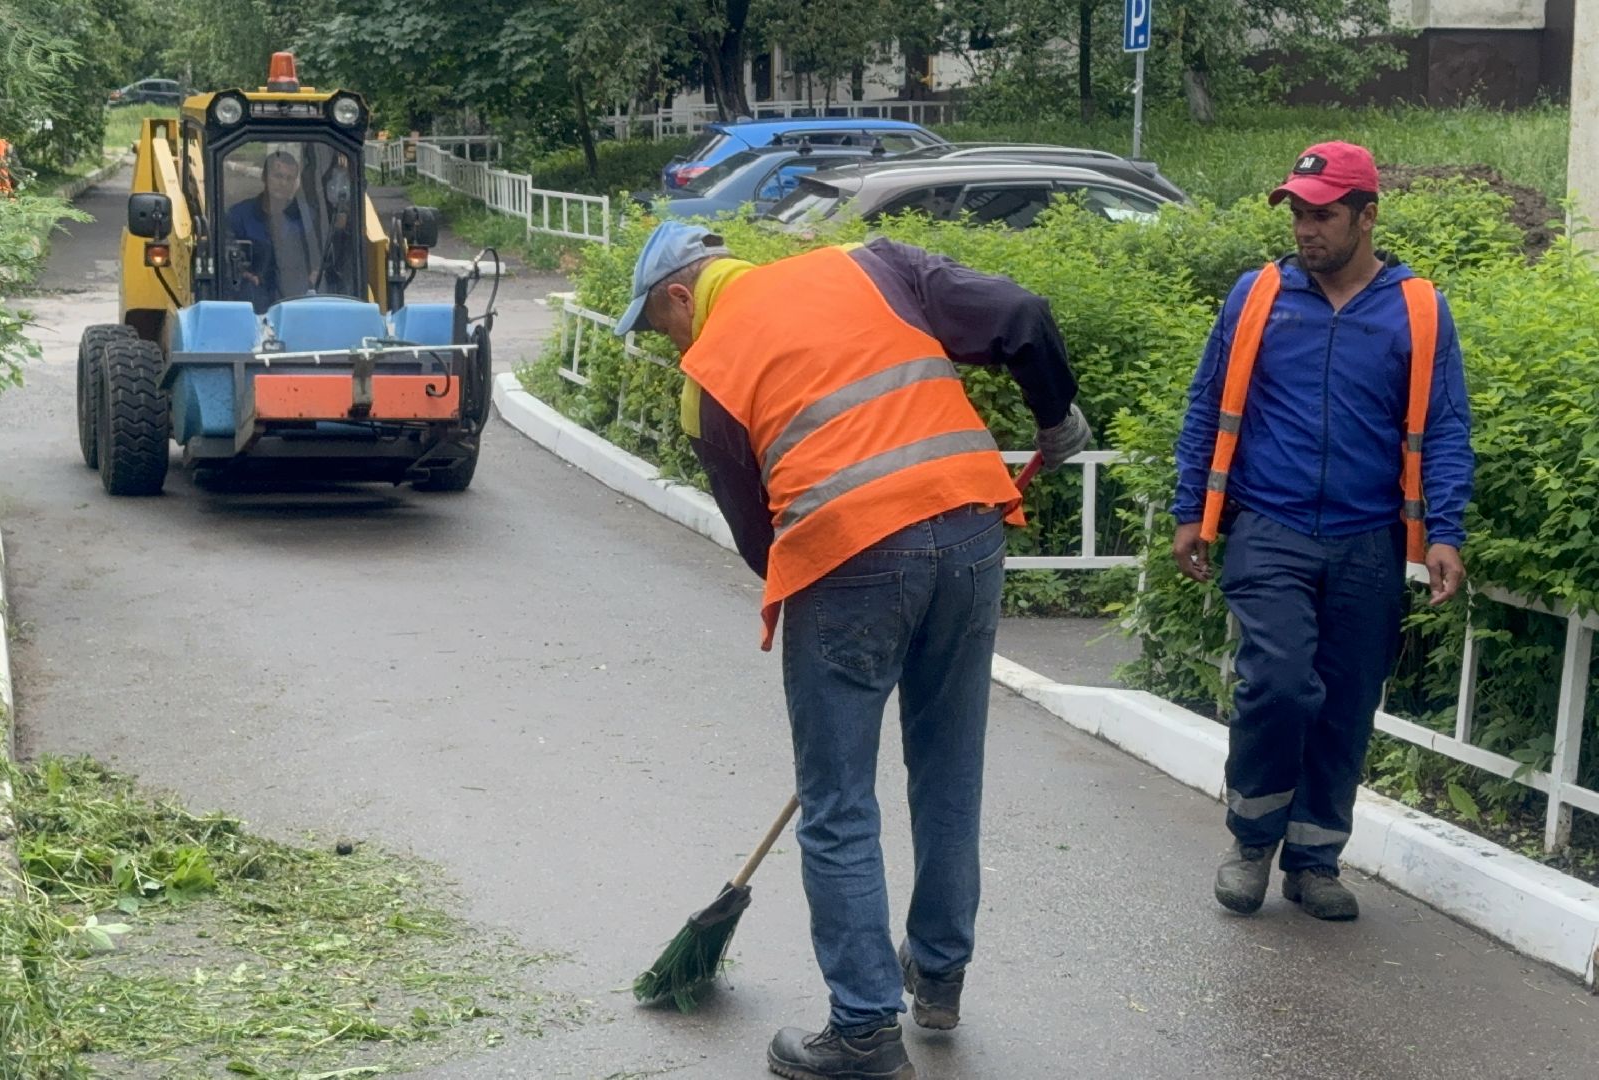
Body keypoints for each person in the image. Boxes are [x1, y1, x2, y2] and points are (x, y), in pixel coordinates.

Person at [611, 221, 1088, 1079]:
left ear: (682, 295)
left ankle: (866, 1030)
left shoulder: (710, 372)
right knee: (948, 769)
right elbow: (1020, 311)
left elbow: (762, 540)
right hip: (971, 529)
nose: (666, 343)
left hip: (853, 560)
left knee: (837, 802)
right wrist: (1056, 420)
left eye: (656, 324)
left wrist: (846, 615)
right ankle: (936, 982)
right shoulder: (870, 265)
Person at [1170, 141, 1473, 922]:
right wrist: (1187, 511)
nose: (1307, 228)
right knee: (1278, 681)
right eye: (1299, 212)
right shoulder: (1259, 296)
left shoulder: (1417, 309)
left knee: (1344, 702)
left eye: (1324, 214)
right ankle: (1250, 840)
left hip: (1368, 538)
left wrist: (1445, 529)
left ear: (1367, 216)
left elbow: (1444, 428)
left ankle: (1314, 858)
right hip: (1268, 527)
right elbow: (1208, 405)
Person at [227, 149, 321, 312]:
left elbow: (319, 257)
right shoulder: (238, 215)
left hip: (296, 299)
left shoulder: (307, 217)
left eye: (289, 178)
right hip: (250, 299)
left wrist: (316, 272)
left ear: (295, 183)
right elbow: (225, 255)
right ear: (264, 177)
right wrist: (242, 273)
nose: (283, 183)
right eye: (277, 176)